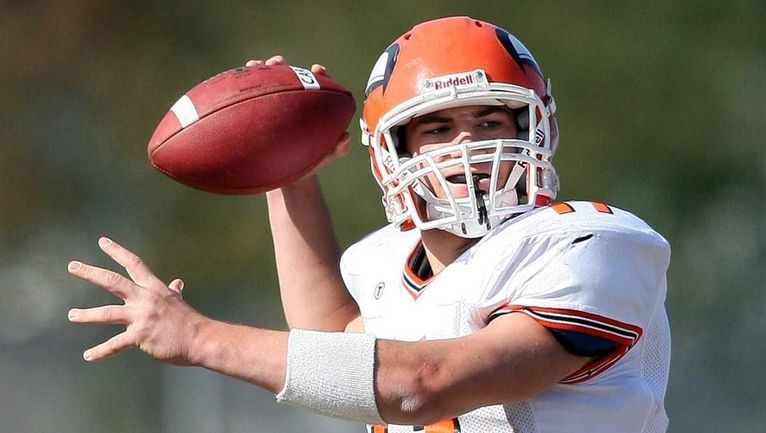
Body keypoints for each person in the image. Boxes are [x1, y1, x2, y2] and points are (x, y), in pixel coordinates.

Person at [68, 16, 671, 433]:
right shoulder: (386, 260)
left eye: (491, 122)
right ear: (391, 154)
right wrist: (288, 166)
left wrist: (199, 339)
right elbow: (333, 339)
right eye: (438, 129)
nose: (468, 145)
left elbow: (425, 383)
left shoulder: (590, 244)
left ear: (535, 129)